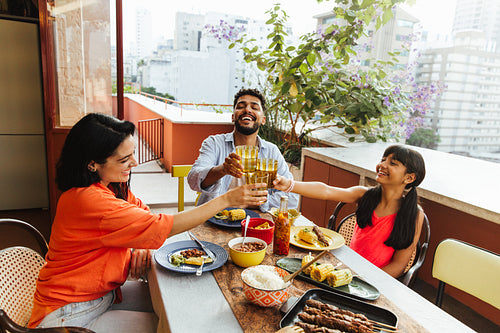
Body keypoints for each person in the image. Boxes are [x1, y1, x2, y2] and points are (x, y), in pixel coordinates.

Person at [28, 113, 267, 332]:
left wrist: (142, 243)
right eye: (124, 159)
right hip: (71, 314)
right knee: (169, 325)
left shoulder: (109, 186)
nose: (134, 163)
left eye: (132, 153)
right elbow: (162, 225)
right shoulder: (88, 200)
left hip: (101, 294)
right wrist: (226, 199)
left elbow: (142, 213)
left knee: (174, 304)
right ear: (93, 164)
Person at [273, 145, 426, 278]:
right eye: (383, 159)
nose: (382, 165)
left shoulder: (414, 214)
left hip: (375, 280)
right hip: (346, 268)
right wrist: (289, 184)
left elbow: (399, 265)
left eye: (392, 163)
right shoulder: (364, 194)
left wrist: (363, 279)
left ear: (409, 177)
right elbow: (326, 191)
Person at [187, 88, 299, 211]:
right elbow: (193, 179)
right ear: (233, 117)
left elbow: (292, 197)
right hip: (213, 218)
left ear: (263, 120)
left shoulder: (272, 151)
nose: (247, 110)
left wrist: (258, 203)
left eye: (254, 107)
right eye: (241, 106)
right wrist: (223, 169)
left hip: (257, 223)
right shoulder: (214, 143)